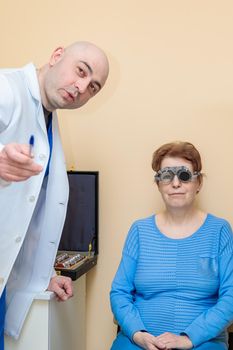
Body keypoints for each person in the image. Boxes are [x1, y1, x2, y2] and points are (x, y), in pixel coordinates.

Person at [0, 41, 109, 347]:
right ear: (57, 55)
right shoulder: (6, 89)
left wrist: (42, 274)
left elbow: (30, 214)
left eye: (93, 87)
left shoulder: (47, 117)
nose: (82, 87)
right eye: (81, 71)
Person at [110, 141, 233, 350]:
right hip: (140, 342)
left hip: (202, 343)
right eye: (167, 175)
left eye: (184, 175)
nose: (176, 183)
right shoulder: (139, 231)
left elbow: (230, 298)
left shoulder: (220, 231)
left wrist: (188, 339)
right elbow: (119, 292)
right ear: (158, 183)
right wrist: (139, 335)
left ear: (198, 183)